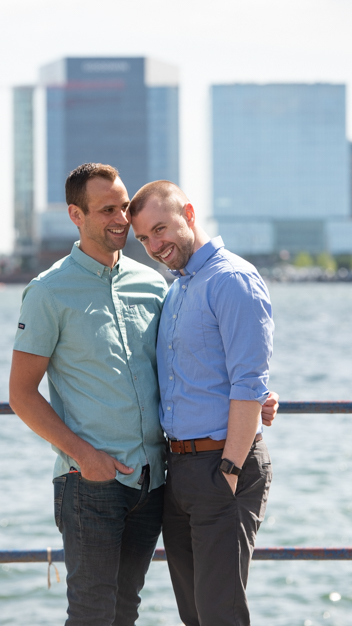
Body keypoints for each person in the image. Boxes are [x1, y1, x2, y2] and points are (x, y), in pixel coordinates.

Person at [9, 163, 277, 626]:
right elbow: (21, 394)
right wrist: (84, 456)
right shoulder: (48, 291)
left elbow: (205, 363)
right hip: (91, 483)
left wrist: (254, 402)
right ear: (76, 214)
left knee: (129, 610)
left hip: (156, 480)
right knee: (94, 615)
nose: (122, 219)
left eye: (125, 207)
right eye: (108, 209)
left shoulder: (157, 284)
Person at [130, 180, 274, 626]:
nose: (155, 245)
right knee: (195, 615)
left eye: (161, 229)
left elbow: (249, 382)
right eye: (144, 239)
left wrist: (228, 471)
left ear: (188, 215)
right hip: (181, 470)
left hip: (222, 465)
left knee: (220, 614)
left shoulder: (231, 279)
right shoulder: (176, 291)